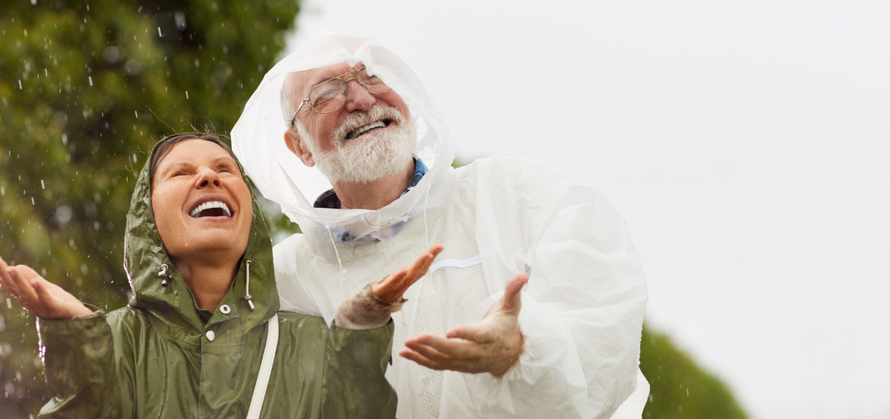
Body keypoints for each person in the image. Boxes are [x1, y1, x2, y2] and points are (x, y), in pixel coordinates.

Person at [230, 34, 650, 419]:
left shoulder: (517, 195)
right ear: (300, 145)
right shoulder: (282, 278)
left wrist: (522, 351)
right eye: (325, 93)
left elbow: (607, 338)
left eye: (372, 76)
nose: (358, 98)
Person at [0, 133, 441, 418]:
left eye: (225, 169)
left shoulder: (314, 344)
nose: (208, 176)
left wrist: (362, 339)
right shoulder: (112, 343)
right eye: (181, 173)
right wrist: (78, 346)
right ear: (148, 221)